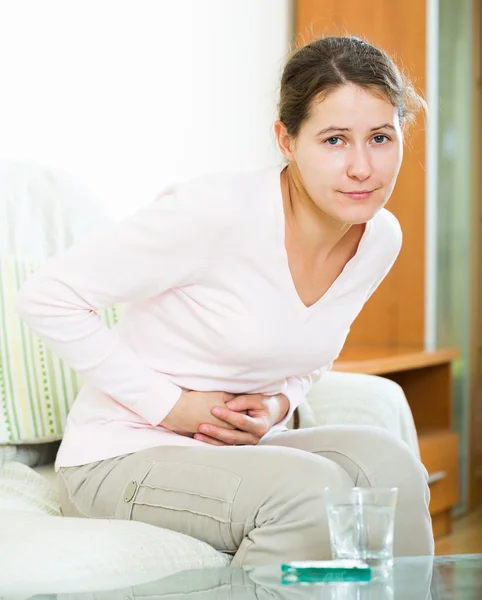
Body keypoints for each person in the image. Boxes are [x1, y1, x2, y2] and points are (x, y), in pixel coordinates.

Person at [16, 35, 434, 564]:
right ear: (287, 140)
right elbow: (48, 297)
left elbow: (315, 348)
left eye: (380, 137)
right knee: (311, 491)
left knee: (390, 468)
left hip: (235, 451)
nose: (361, 168)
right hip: (119, 454)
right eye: (333, 140)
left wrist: (279, 403)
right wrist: (170, 407)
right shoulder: (214, 212)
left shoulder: (379, 237)